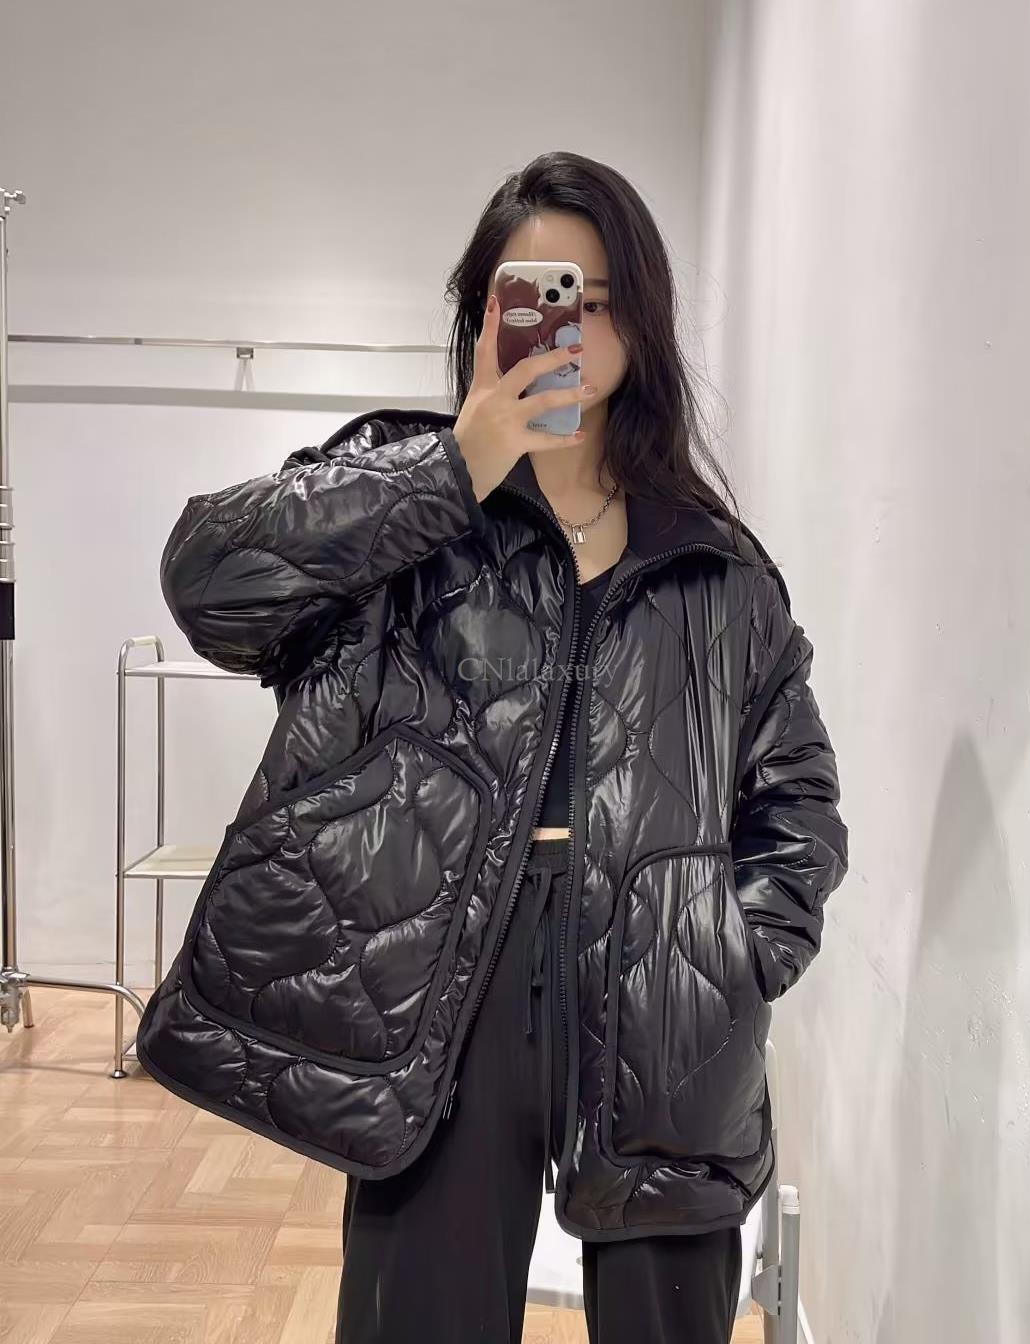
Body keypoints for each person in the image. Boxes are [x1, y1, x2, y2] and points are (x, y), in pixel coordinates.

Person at [143, 151, 849, 1344]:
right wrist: (456, 466)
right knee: (421, 1317)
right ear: (481, 318)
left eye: (594, 298)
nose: (564, 328)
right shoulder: (397, 495)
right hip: (443, 972)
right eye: (530, 296)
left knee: (667, 1322)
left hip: (666, 983)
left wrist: (732, 956)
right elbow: (209, 582)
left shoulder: (715, 564)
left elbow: (800, 802)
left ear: (641, 323)